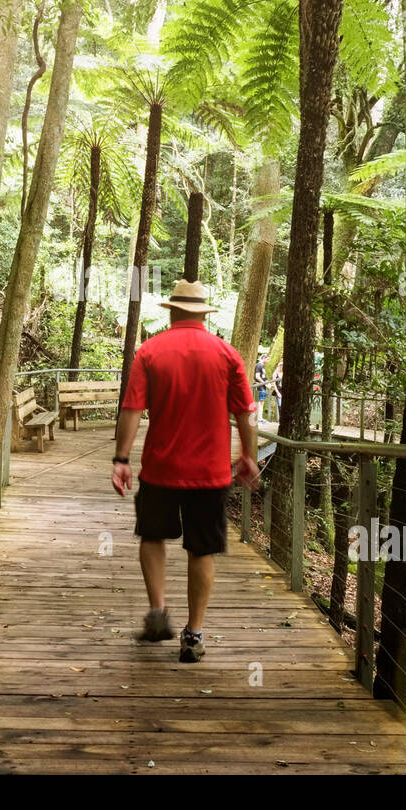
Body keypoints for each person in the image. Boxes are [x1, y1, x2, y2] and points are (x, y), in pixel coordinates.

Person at [112, 279, 260, 663]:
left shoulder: (150, 351)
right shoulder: (227, 355)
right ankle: (193, 635)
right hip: (210, 474)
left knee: (152, 536)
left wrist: (121, 459)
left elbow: (131, 408)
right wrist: (248, 455)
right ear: (203, 314)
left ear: (172, 311)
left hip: (161, 468)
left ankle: (159, 613)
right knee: (202, 549)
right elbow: (245, 412)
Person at [253, 353, 268, 423]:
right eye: (267, 359)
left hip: (263, 386)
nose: (268, 360)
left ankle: (260, 417)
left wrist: (268, 383)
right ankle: (259, 418)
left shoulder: (262, 366)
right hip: (260, 386)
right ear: (263, 358)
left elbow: (264, 377)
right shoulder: (259, 365)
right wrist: (264, 383)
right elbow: (257, 376)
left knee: (262, 402)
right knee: (260, 401)